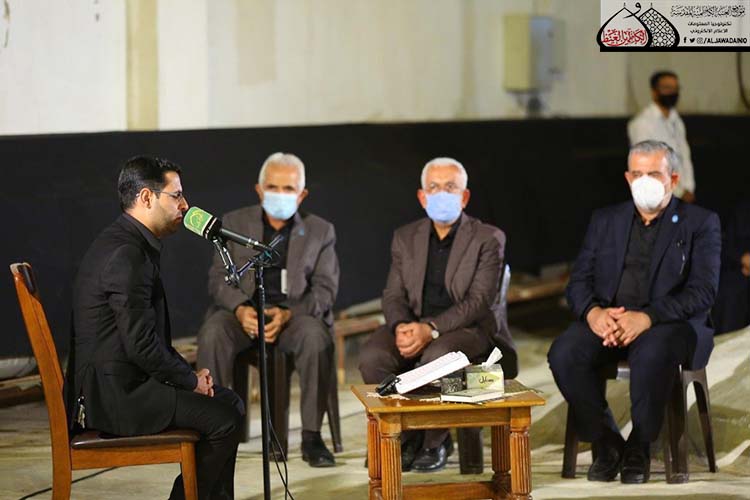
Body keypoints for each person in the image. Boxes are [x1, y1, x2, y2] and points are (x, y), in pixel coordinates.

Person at [67, 156, 243, 499]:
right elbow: (141, 345)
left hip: (124, 383)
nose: (185, 205)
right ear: (146, 198)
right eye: (176, 196)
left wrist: (189, 377)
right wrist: (189, 380)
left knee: (231, 404)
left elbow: (144, 339)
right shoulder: (126, 254)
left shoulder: (129, 243)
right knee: (224, 419)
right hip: (114, 398)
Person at [548, 140, 721, 484]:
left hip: (671, 324)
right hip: (610, 320)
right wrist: (594, 314)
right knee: (565, 352)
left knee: (653, 351)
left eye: (654, 174)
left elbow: (703, 291)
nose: (645, 181)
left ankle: (640, 444)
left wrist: (647, 317)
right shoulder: (605, 220)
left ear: (673, 178)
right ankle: (607, 442)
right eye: (638, 174)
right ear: (627, 178)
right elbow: (578, 281)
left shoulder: (700, 222)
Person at [358, 157, 518, 473]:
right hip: (415, 322)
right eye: (434, 187)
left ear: (464, 196)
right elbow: (393, 294)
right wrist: (402, 326)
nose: (441, 194)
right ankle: (406, 437)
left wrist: (430, 329)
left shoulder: (488, 238)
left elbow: (479, 302)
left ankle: (435, 440)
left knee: (438, 356)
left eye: (450, 187)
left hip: (469, 329)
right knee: (373, 357)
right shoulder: (405, 237)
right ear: (422, 196)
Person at [196, 152, 339, 467]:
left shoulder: (320, 231)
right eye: (273, 187)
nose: (280, 194)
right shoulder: (233, 223)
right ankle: (211, 430)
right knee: (213, 332)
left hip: (293, 317)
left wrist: (289, 314)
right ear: (259, 190)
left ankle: (312, 437)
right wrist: (239, 310)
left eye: (288, 189)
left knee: (316, 338)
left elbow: (325, 290)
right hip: (243, 315)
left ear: (302, 195)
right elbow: (218, 279)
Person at [628, 70, 696, 203]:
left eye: (675, 88)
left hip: (683, 196)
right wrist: (679, 192)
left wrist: (689, 188)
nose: (672, 92)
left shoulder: (676, 121)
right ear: (654, 92)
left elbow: (685, 157)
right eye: (667, 88)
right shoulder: (642, 124)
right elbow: (647, 166)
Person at [712, 198, 750, 333]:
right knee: (730, 290)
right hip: (738, 274)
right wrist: (742, 258)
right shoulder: (743, 209)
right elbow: (724, 246)